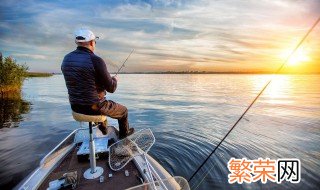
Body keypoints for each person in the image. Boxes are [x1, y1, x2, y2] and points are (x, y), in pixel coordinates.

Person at [61, 29, 134, 139]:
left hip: (75, 107)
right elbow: (111, 88)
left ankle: (103, 130)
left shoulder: (66, 59)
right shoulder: (96, 60)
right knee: (123, 111)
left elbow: (82, 80)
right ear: (91, 42)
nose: (95, 43)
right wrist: (114, 80)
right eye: (95, 41)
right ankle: (124, 138)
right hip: (93, 108)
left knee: (102, 103)